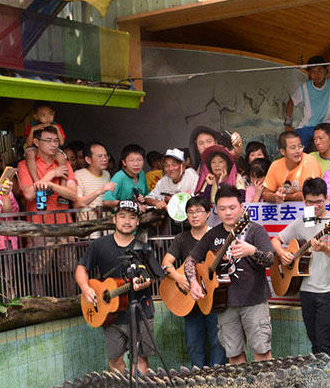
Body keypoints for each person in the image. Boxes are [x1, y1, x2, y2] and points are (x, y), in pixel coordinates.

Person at [185, 185, 275, 364]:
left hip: (254, 301)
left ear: (242, 207)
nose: (228, 213)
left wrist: (252, 251)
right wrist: (194, 282)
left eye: (232, 208)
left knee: (262, 354)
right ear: (216, 210)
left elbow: (270, 259)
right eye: (222, 208)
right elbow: (190, 260)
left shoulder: (255, 231)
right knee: (233, 356)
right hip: (224, 304)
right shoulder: (212, 235)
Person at [76, 200, 161, 374]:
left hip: (140, 313)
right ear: (114, 219)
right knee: (115, 359)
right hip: (111, 315)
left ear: (138, 222)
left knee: (141, 359)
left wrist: (143, 282)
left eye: (132, 217)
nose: (127, 221)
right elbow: (81, 268)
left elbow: (152, 276)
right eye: (122, 216)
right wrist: (85, 288)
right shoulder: (99, 245)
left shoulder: (143, 248)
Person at [272, 178, 330, 354]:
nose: (315, 206)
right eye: (310, 202)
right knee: (314, 340)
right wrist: (283, 254)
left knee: (325, 342)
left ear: (327, 199)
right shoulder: (305, 220)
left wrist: (325, 249)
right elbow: (276, 240)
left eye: (319, 202)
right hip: (306, 289)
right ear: (304, 200)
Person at [161, 196, 226, 367]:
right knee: (194, 345)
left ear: (208, 213)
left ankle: (216, 378)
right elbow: (166, 263)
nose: (194, 216)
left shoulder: (218, 236)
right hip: (190, 301)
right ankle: (196, 381)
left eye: (198, 211)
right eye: (190, 212)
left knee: (218, 343)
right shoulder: (181, 239)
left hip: (213, 298)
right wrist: (179, 277)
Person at [17, 125, 77, 224]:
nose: (54, 145)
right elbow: (29, 195)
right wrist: (52, 174)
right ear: (36, 142)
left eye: (56, 141)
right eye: (48, 141)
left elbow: (73, 195)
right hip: (38, 226)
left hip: (64, 224)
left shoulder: (63, 163)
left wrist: (51, 185)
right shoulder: (24, 164)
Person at [285, 55, 330, 149]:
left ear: (325, 71)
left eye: (320, 70)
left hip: (326, 126)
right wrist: (288, 124)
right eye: (312, 71)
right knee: (296, 150)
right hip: (307, 127)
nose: (316, 75)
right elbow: (291, 102)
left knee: (329, 150)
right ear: (309, 73)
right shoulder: (304, 87)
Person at [262, 131, 323, 203]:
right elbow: (266, 193)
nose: (298, 151)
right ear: (282, 152)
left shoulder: (309, 161)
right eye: (293, 147)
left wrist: (285, 197)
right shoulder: (276, 165)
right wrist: (276, 197)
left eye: (300, 146)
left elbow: (310, 194)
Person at [23, 102, 68, 186]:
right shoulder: (32, 125)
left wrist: (57, 129)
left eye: (50, 114)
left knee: (61, 157)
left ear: (54, 113)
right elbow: (29, 144)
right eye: (43, 115)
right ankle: (37, 181)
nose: (47, 118)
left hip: (54, 149)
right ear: (36, 116)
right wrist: (32, 130)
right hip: (35, 148)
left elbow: (61, 142)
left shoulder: (56, 125)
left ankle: (63, 185)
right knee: (29, 153)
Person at [73, 141, 115, 223]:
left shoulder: (107, 174)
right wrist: (100, 191)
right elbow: (77, 204)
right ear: (88, 160)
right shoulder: (78, 175)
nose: (105, 159)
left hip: (106, 228)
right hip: (88, 229)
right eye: (100, 156)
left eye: (106, 155)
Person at [103, 144, 148, 210]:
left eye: (139, 160)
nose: (136, 164)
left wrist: (143, 199)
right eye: (131, 160)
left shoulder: (141, 174)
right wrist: (132, 205)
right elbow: (106, 201)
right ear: (124, 162)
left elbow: (147, 195)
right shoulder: (119, 177)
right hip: (123, 217)